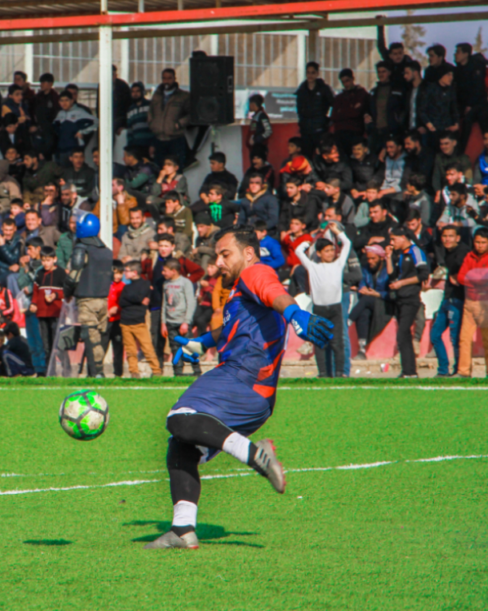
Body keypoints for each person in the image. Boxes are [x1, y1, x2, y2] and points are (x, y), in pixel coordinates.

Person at [143, 228, 334, 550]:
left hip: (241, 378)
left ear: (248, 253)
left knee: (180, 418)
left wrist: (295, 313)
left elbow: (274, 291)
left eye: (225, 254)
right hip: (257, 396)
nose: (218, 262)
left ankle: (255, 455)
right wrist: (202, 341)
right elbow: (235, 326)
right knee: (181, 447)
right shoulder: (240, 291)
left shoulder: (254, 272)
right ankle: (182, 530)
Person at [295, 224, 351, 377]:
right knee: (320, 343)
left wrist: (337, 232)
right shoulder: (312, 267)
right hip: (319, 310)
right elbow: (298, 251)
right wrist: (309, 242)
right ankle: (323, 373)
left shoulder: (338, 264)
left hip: (335, 309)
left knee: (337, 342)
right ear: (318, 253)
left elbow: (347, 243)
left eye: (332, 250)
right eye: (326, 251)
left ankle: (339, 373)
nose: (331, 253)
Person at [63, 213, 114, 378]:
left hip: (86, 299)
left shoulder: (81, 249)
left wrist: (67, 292)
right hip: (103, 299)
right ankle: (95, 372)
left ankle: (97, 373)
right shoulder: (107, 251)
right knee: (99, 337)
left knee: (91, 337)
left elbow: (74, 276)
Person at [456, 229, 488, 378]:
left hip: (486, 303)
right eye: (477, 242)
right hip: (470, 301)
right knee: (464, 339)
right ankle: (464, 372)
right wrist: (476, 280)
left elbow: (483, 279)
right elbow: (461, 277)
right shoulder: (469, 255)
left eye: (483, 242)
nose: (480, 245)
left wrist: (470, 278)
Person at [386, 228, 429, 378]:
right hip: (400, 298)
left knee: (403, 333)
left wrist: (402, 283)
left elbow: (423, 274)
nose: (392, 242)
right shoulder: (400, 254)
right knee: (404, 336)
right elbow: (392, 275)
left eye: (394, 239)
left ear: (403, 237)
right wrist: (388, 258)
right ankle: (409, 371)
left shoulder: (415, 251)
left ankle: (409, 371)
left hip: (411, 298)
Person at [430, 225, 470, 377]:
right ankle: (443, 370)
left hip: (457, 299)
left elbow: (464, 268)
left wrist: (458, 277)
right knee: (435, 335)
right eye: (444, 236)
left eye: (451, 236)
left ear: (458, 238)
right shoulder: (447, 252)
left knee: (455, 337)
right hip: (447, 298)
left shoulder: (463, 251)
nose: (447, 239)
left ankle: (459, 370)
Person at [162, 258, 200, 377]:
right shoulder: (166, 284)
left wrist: (186, 322)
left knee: (190, 346)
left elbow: (191, 303)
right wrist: (163, 323)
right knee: (174, 348)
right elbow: (164, 304)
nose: (163, 273)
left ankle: (197, 371)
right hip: (170, 322)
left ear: (174, 271)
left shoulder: (185, 283)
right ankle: (178, 372)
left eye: (165, 270)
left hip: (183, 322)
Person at [148, 68, 191, 170]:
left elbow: (191, 114)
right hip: (158, 138)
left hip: (175, 139)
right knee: (158, 169)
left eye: (169, 78)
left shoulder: (183, 96)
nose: (166, 81)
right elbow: (150, 112)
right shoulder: (156, 95)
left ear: (174, 78)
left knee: (176, 169)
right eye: (164, 78)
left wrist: (179, 124)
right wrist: (152, 124)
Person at [30, 245, 65, 360]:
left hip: (56, 313)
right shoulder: (39, 273)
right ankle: (50, 368)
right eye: (43, 260)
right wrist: (34, 303)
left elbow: (67, 291)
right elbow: (36, 291)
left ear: (55, 259)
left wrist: (56, 295)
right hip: (42, 313)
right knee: (46, 344)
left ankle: (66, 366)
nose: (45, 263)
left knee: (57, 342)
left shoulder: (61, 273)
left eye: (48, 260)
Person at [295, 61, 334, 158]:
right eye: (308, 72)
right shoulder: (302, 90)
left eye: (313, 73)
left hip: (320, 129)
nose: (310, 75)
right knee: (306, 157)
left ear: (317, 73)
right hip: (306, 130)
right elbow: (299, 109)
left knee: (322, 155)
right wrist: (302, 123)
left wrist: (328, 120)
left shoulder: (324, 89)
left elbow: (334, 104)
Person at [331, 68, 371, 155]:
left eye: (347, 80)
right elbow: (334, 116)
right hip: (340, 134)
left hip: (355, 133)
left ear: (353, 79)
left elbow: (357, 113)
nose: (346, 84)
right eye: (343, 82)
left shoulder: (362, 94)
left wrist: (343, 112)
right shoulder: (339, 98)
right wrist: (352, 109)